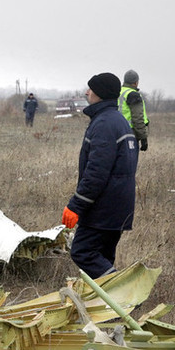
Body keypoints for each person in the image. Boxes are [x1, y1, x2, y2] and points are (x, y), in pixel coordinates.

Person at [61, 73, 138, 279]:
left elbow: (97, 172)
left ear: (100, 94)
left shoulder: (104, 124)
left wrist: (76, 206)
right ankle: (109, 310)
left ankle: (122, 294)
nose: (87, 93)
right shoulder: (120, 121)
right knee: (103, 256)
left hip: (104, 209)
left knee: (83, 252)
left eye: (91, 89)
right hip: (120, 206)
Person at [119, 69, 149, 153]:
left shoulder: (118, 92)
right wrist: (143, 137)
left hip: (116, 131)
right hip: (130, 133)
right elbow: (137, 118)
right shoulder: (133, 95)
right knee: (129, 161)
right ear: (136, 82)